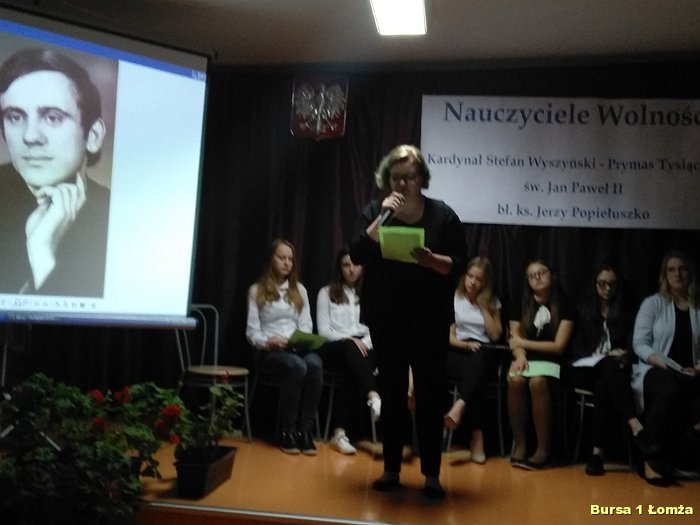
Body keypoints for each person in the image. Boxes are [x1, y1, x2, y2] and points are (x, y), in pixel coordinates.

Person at [350, 144, 467, 499]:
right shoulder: (376, 210)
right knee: (392, 394)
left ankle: (431, 475)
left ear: (422, 179)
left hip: (430, 321)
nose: (402, 184)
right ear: (387, 180)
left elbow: (458, 264)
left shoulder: (443, 215)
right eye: (395, 177)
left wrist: (432, 261)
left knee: (429, 397)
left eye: (409, 177)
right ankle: (391, 469)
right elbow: (356, 252)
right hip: (387, 319)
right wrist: (383, 216)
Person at [0, 48, 110, 296]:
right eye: (15, 117)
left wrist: (42, 253)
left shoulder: (119, 213)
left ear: (93, 135)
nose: (30, 136)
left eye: (52, 117)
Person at [569, 264, 653, 476]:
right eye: (602, 284)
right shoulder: (583, 310)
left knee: (603, 386)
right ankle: (635, 425)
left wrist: (625, 354)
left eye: (612, 284)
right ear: (594, 284)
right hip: (585, 368)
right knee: (605, 366)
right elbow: (576, 348)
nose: (607, 289)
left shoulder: (626, 312)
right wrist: (597, 355)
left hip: (614, 373)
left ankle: (597, 454)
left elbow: (633, 345)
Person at [246, 238, 323, 455]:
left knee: (315, 364)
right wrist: (268, 341)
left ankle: (305, 431)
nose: (287, 263)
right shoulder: (256, 290)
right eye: (282, 258)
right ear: (272, 259)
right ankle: (286, 431)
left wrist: (298, 340)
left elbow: (306, 326)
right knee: (297, 366)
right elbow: (252, 332)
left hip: (296, 347)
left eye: (290, 259)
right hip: (270, 352)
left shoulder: (299, 290)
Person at [632, 250, 700, 486]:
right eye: (671, 269)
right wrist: (664, 364)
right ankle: (651, 460)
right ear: (664, 275)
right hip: (657, 369)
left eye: (682, 269)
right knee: (670, 390)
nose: (677, 274)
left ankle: (685, 451)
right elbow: (640, 343)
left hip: (693, 373)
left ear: (690, 273)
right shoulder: (653, 304)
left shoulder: (698, 306)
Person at [508, 259, 574, 470]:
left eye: (542, 272)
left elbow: (558, 346)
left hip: (552, 361)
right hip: (526, 358)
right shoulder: (519, 303)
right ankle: (520, 444)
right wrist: (520, 355)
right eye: (532, 275)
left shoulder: (565, 305)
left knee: (537, 382)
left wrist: (523, 343)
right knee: (515, 381)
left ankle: (543, 449)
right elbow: (514, 339)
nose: (537, 277)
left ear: (552, 276)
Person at [316, 247, 381, 455]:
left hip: (363, 348)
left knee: (351, 368)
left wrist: (363, 344)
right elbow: (324, 332)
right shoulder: (326, 293)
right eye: (346, 265)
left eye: (356, 265)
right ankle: (373, 394)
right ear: (340, 267)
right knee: (349, 350)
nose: (351, 269)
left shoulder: (370, 294)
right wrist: (350, 341)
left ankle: (339, 433)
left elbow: (376, 330)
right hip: (335, 347)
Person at [444, 256, 503, 464]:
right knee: (474, 379)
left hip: (484, 351)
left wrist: (483, 307)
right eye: (470, 276)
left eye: (478, 279)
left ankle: (460, 405)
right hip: (459, 348)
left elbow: (495, 335)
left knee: (477, 363)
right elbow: (449, 337)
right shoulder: (455, 297)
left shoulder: (493, 302)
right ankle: (477, 437)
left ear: (485, 283)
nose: (472, 282)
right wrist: (466, 345)